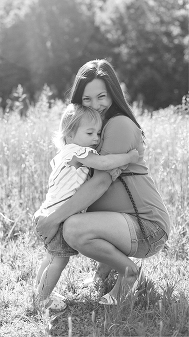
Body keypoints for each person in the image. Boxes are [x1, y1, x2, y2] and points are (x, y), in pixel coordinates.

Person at [36, 59, 171, 305]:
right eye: (86, 100)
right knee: (74, 226)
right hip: (127, 224)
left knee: (74, 228)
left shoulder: (118, 124)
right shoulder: (90, 129)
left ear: (113, 95)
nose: (95, 105)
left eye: (101, 97)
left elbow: (100, 183)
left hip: (147, 226)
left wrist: (53, 218)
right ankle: (100, 274)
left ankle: (128, 274)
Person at [33, 104, 140, 311]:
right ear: (70, 134)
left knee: (51, 257)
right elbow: (104, 163)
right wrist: (128, 158)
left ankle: (39, 289)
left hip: (47, 212)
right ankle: (43, 298)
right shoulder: (78, 152)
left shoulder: (63, 154)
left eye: (98, 133)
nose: (96, 138)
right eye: (89, 132)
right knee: (59, 261)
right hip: (57, 216)